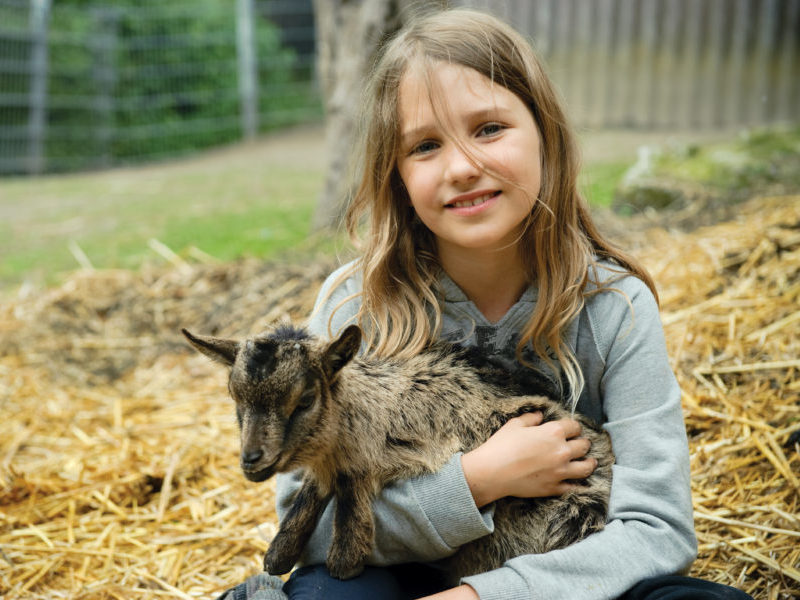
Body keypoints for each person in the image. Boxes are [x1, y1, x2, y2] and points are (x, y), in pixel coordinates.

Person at [218, 8, 753, 600]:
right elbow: (308, 531)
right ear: (394, 173)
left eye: (489, 129)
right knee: (330, 592)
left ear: (545, 134)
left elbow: (658, 530)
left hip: (565, 571)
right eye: (424, 145)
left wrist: (481, 596)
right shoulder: (356, 308)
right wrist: (476, 482)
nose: (463, 167)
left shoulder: (612, 306)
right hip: (408, 574)